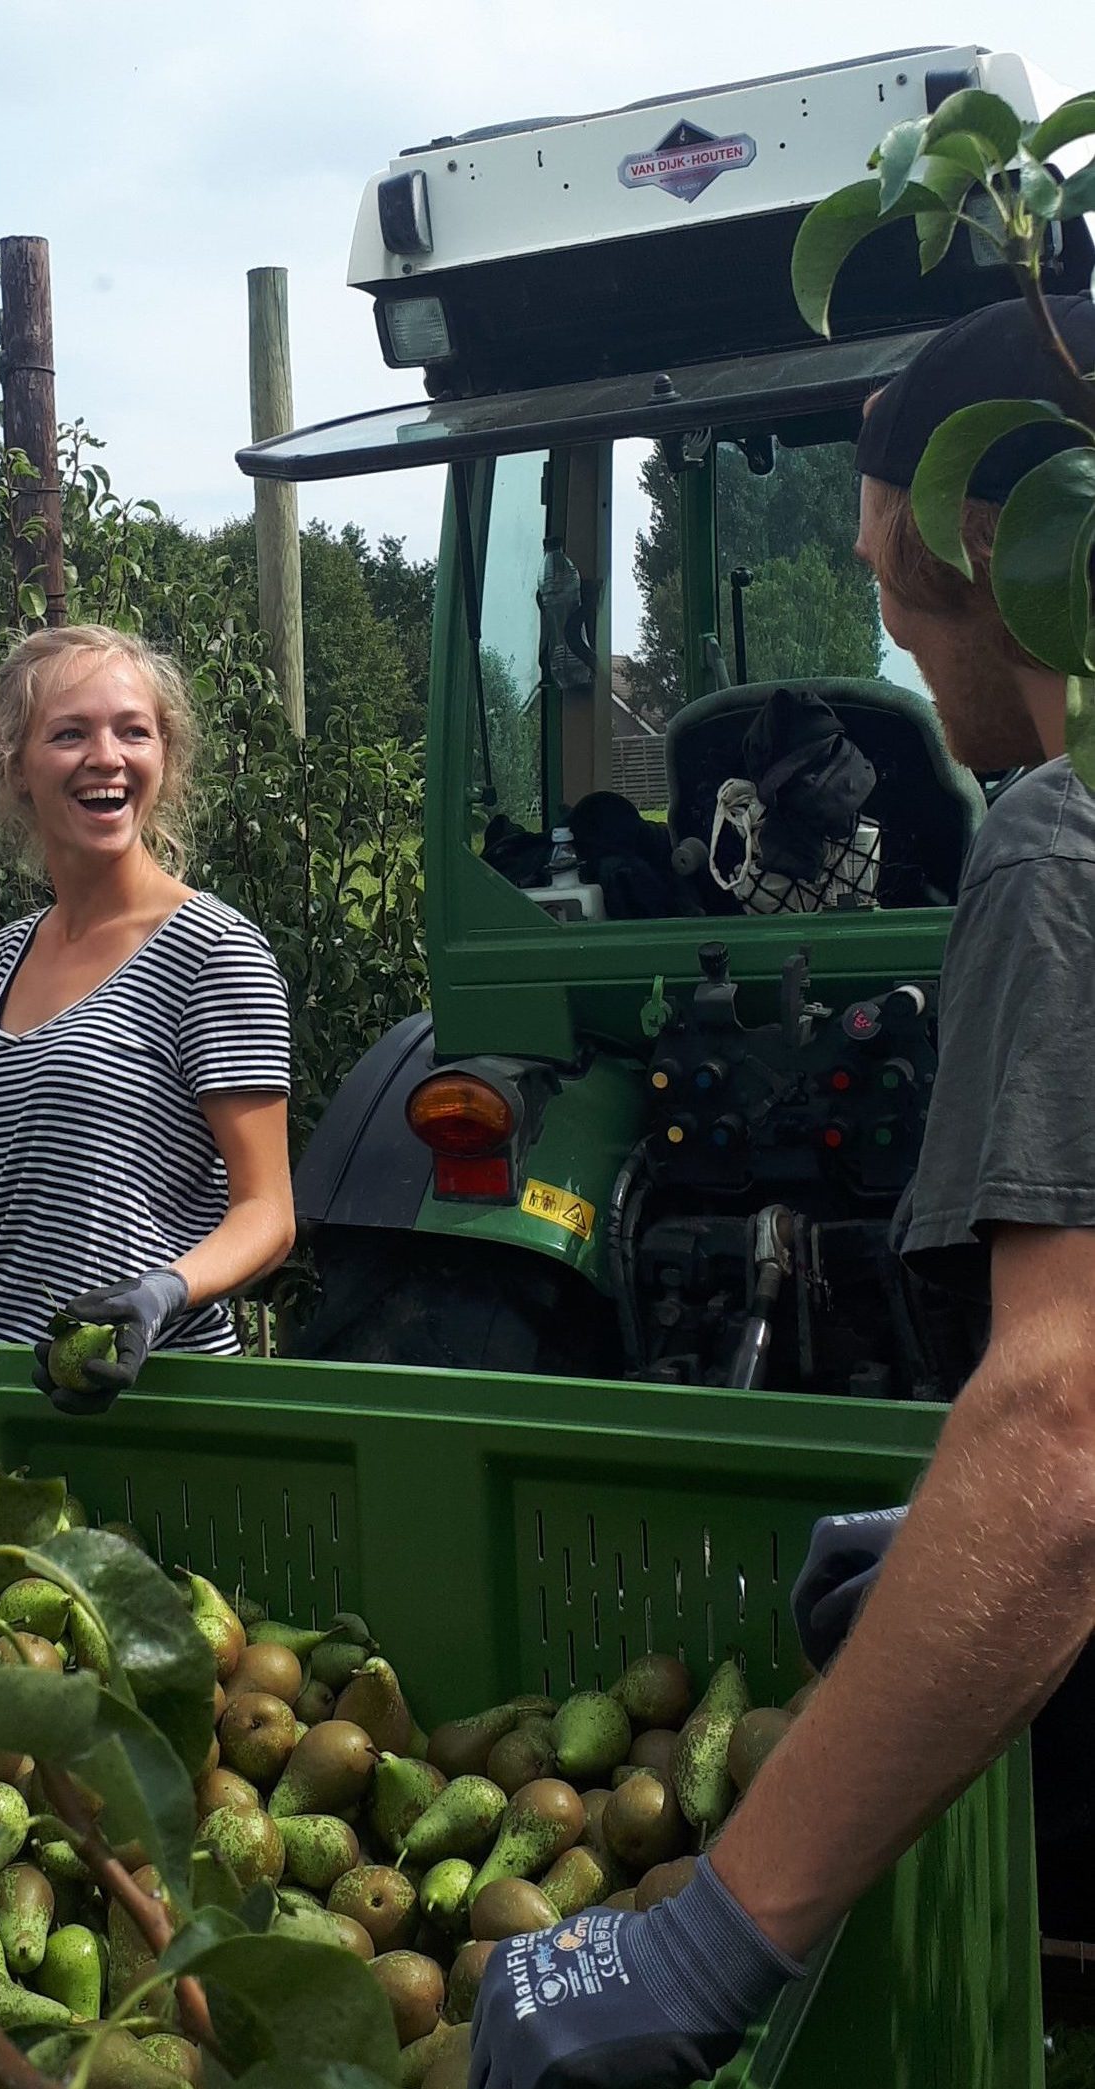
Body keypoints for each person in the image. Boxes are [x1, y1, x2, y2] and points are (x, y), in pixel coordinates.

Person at [469, 292, 1095, 2086]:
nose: (888, 635)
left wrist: (707, 1934)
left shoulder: (1055, 837)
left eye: (882, 572)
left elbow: (1057, 1432)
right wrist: (958, 1542)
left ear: (981, 541)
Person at [0, 624, 296, 1411]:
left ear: (163, 757)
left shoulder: (213, 950)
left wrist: (162, 1294)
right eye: (70, 733)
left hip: (156, 1393)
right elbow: (32, 1171)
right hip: (9, 1390)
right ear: (16, 767)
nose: (107, 756)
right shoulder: (4, 956)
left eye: (134, 731)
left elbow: (267, 1212)